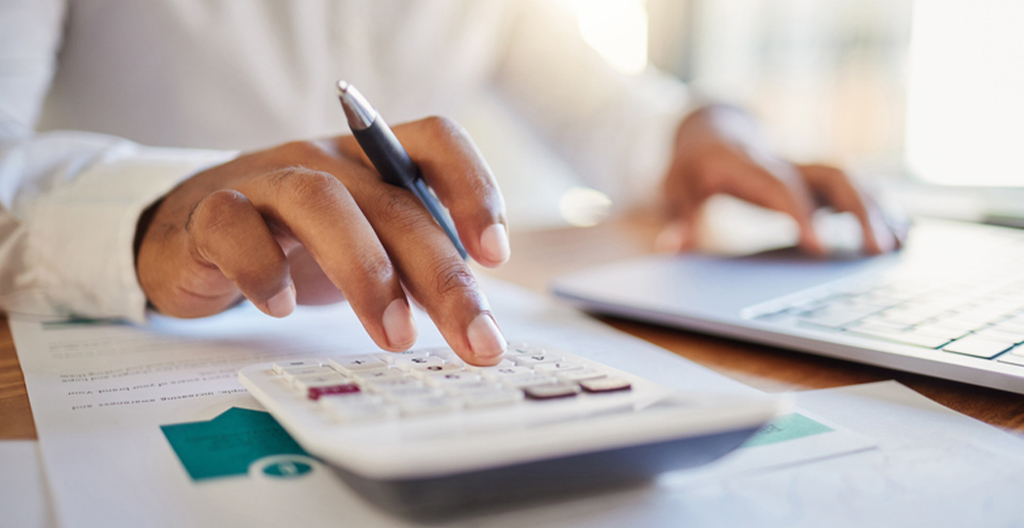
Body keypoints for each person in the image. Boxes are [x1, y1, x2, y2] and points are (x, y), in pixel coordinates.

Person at [0, 0, 900, 365]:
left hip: (440, 342)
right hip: (150, 346)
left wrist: (703, 131)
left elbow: (601, 111)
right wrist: (144, 219)